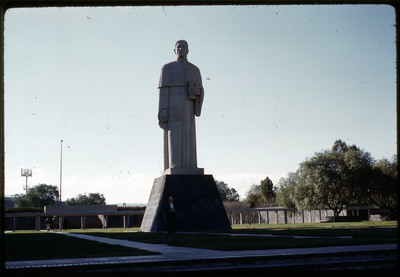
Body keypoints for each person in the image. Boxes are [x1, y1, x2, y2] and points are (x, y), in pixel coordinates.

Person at [158, 40, 204, 175]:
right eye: (178, 47)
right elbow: (163, 91)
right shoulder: (167, 68)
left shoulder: (194, 70)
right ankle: (174, 163)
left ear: (188, 50)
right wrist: (163, 110)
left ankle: (191, 165)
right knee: (174, 134)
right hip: (172, 106)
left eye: (184, 47)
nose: (181, 49)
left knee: (189, 135)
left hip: (188, 106)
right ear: (174, 50)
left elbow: (200, 89)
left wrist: (197, 93)